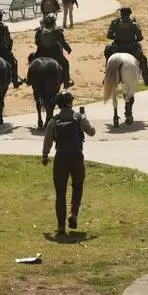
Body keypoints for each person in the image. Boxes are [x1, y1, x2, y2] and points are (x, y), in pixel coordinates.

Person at [41, 92, 96, 235]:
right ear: (70, 103)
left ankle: (60, 226)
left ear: (59, 105)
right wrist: (85, 119)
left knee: (60, 193)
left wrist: (45, 155)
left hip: (60, 158)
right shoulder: (78, 117)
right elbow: (92, 132)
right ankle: (73, 213)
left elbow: (48, 140)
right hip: (76, 157)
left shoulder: (54, 120)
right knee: (78, 186)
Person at [105, 7, 148, 85]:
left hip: (117, 48)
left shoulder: (115, 23)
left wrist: (117, 37)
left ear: (121, 14)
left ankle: (107, 75)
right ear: (129, 14)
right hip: (131, 49)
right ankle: (146, 78)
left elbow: (109, 36)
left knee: (107, 51)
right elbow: (140, 38)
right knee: (143, 60)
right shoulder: (134, 24)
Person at [29, 13, 73, 88]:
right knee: (65, 64)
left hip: (41, 53)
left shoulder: (39, 30)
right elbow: (63, 42)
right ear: (54, 22)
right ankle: (66, 82)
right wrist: (68, 49)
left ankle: (28, 79)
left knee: (32, 60)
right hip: (55, 54)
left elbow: (37, 43)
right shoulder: (57, 31)